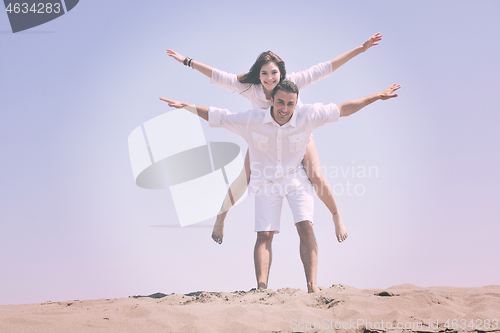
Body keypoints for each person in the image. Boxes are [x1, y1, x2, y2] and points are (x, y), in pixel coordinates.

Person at [159, 80, 401, 293]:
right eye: (281, 102)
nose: (285, 109)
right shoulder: (251, 120)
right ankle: (262, 288)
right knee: (264, 234)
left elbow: (343, 109)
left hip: (296, 178)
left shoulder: (307, 115)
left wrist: (377, 97)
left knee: (305, 226)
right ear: (271, 100)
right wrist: (187, 106)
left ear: (296, 104)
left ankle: (312, 285)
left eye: (290, 104)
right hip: (266, 179)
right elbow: (218, 116)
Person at [167, 33, 382, 244]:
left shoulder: (292, 83)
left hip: (298, 136)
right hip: (263, 139)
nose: (270, 78)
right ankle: (221, 217)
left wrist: (360, 49)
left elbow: (325, 69)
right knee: (245, 177)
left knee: (316, 175)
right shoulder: (250, 88)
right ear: (258, 75)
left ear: (281, 73)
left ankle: (337, 217)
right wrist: (187, 61)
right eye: (264, 73)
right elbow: (218, 76)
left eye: (274, 73)